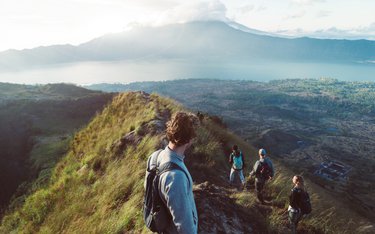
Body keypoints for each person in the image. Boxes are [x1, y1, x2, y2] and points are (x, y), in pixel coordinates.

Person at [145, 112, 198, 234]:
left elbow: (149, 191)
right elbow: (186, 230)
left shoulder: (154, 157)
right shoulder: (176, 178)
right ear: (189, 139)